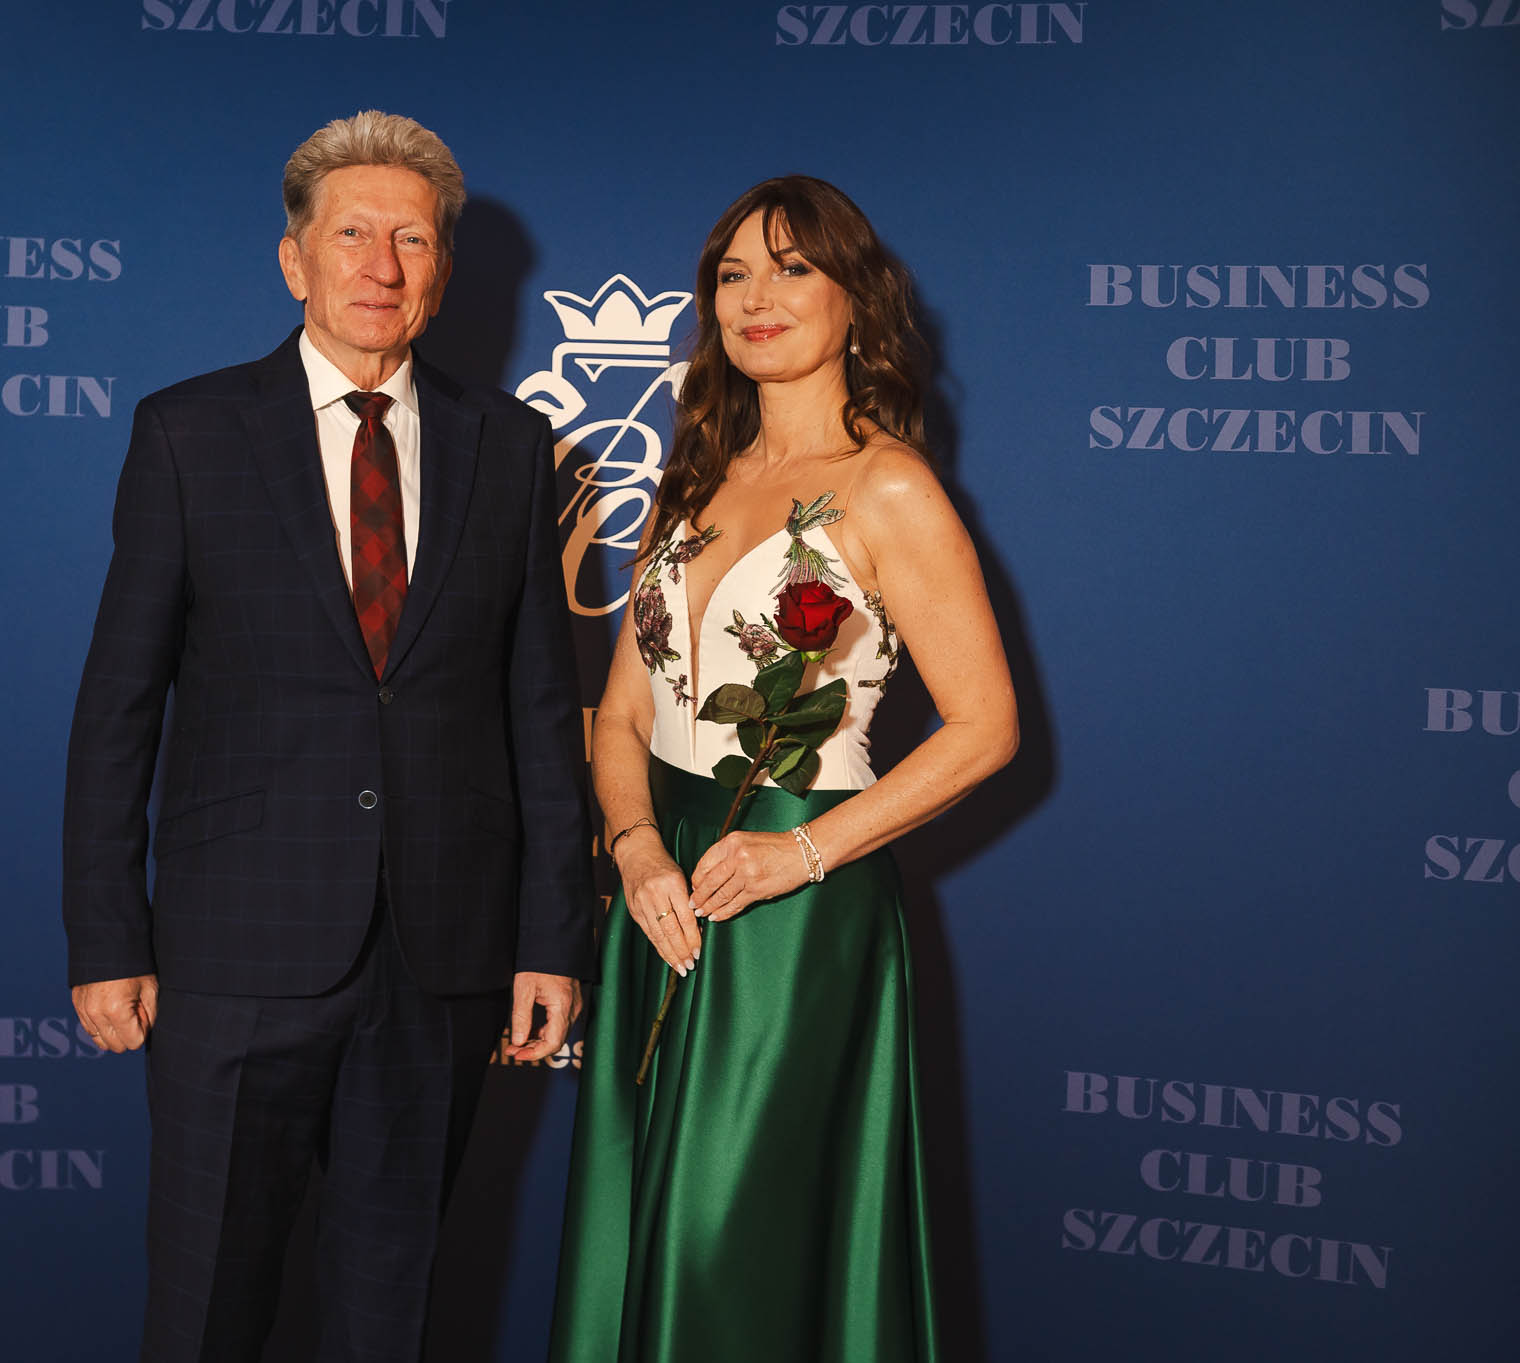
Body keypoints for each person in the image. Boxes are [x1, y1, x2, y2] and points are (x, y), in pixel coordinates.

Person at [61, 111, 595, 1363]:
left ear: (443, 271)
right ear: (293, 260)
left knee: (388, 1317)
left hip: (439, 956)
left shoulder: (510, 445)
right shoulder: (189, 432)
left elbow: (535, 708)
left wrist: (549, 937)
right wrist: (107, 934)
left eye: (412, 239)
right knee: (205, 1310)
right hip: (231, 956)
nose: (381, 265)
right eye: (351, 233)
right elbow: (118, 703)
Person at [548, 176, 1018, 1362]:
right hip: (658, 900)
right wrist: (634, 848)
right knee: (644, 1224)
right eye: (733, 273)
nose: (757, 296)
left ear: (855, 299)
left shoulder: (888, 485)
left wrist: (799, 852)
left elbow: (983, 727)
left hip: (794, 921)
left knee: (733, 1252)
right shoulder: (693, 476)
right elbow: (620, 714)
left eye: (792, 267)